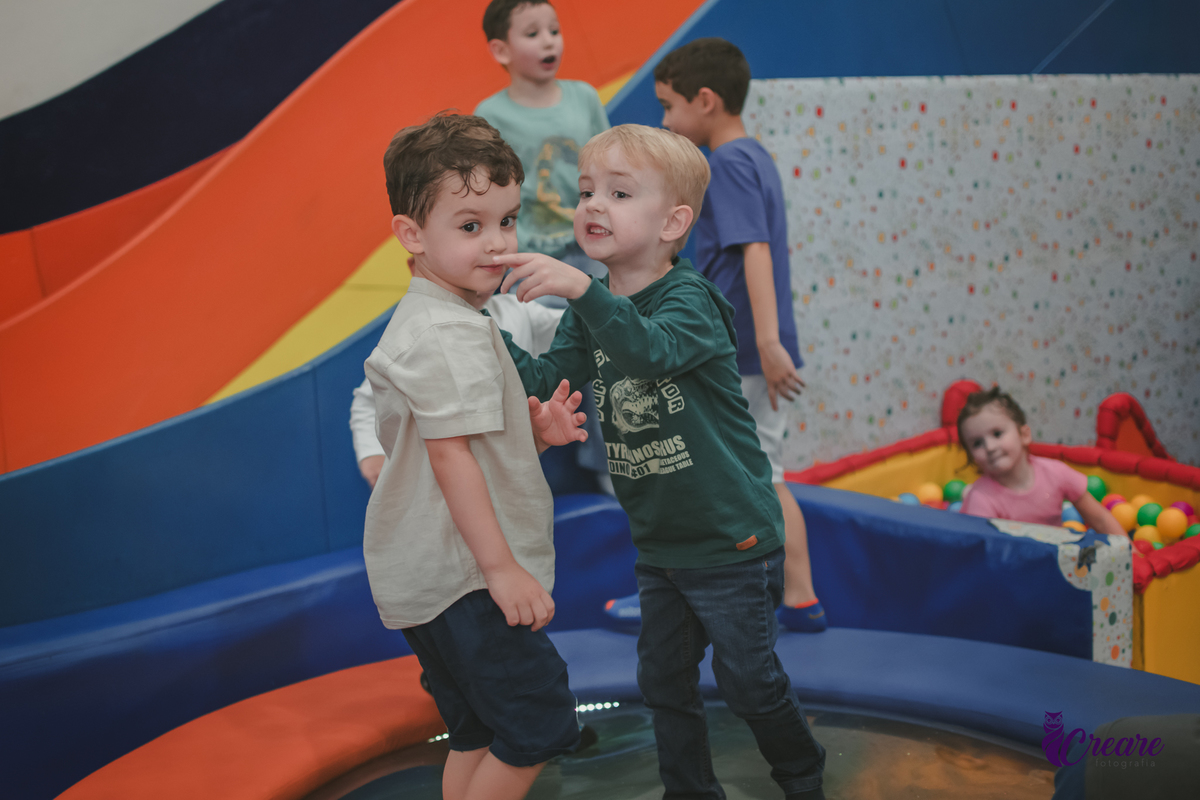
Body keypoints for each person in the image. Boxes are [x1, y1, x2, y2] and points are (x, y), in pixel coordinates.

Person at [495, 124, 827, 800]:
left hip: (732, 540)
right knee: (663, 683)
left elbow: (648, 349)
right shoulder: (588, 315)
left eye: (618, 193)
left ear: (674, 222)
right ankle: (688, 791)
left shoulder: (692, 301)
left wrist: (583, 290)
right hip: (663, 548)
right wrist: (479, 331)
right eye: (587, 191)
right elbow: (546, 377)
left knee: (750, 684)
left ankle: (802, 776)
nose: (592, 205)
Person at [366, 112, 590, 800]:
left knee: (479, 732)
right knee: (539, 725)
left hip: (429, 581)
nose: (496, 244)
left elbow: (449, 440)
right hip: (467, 578)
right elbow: (449, 460)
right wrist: (503, 571)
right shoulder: (448, 332)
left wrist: (536, 433)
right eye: (470, 227)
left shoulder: (439, 316)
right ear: (413, 235)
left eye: (506, 221)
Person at [642, 37, 823, 633]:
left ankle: (796, 595)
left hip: (743, 349)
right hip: (747, 346)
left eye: (670, 107)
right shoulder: (756, 156)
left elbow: (755, 252)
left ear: (707, 100)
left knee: (762, 471)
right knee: (756, 469)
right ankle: (787, 594)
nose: (666, 121)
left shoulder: (730, 164)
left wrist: (766, 342)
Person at [351, 294, 564, 488]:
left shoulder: (517, 309)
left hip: (511, 474)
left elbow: (576, 328)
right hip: (435, 476)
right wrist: (372, 453)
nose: (493, 249)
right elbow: (370, 398)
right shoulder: (418, 328)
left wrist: (582, 291)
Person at [478, 0, 610, 283]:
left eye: (554, 30)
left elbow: (609, 167)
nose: (549, 42)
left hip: (592, 244)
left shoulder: (584, 97)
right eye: (532, 34)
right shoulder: (489, 115)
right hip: (529, 255)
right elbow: (487, 191)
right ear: (501, 50)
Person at [957, 386, 1126, 537]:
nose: (990, 447)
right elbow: (981, 550)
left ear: (1024, 435)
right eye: (977, 443)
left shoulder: (1056, 474)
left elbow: (1101, 519)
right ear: (971, 456)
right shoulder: (981, 498)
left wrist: (1132, 555)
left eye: (997, 434)